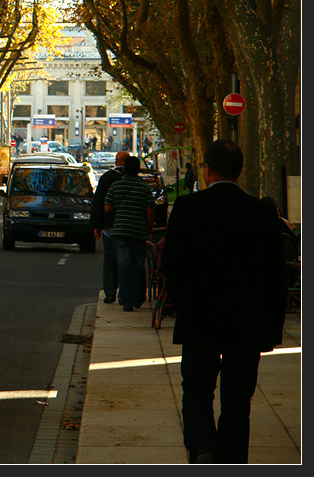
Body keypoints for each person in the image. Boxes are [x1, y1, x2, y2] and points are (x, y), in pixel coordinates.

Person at [161, 140, 287, 464]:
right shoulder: (263, 212)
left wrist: (183, 303)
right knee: (237, 402)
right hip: (247, 323)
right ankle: (231, 462)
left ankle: (202, 448)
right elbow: (277, 276)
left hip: (200, 319)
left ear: (206, 170)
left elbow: (171, 266)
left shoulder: (188, 208)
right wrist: (274, 327)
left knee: (197, 392)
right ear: (240, 171)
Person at [104, 155, 154, 311]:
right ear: (139, 170)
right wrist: (149, 231)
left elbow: (107, 208)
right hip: (139, 231)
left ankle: (126, 300)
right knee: (139, 264)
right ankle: (139, 296)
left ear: (124, 169)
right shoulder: (145, 188)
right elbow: (149, 213)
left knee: (124, 264)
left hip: (120, 231)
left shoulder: (116, 186)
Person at [91, 150, 129, 304]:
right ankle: (125, 294)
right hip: (128, 226)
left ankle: (110, 292)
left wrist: (96, 224)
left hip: (110, 226)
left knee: (109, 259)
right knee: (126, 259)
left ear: (116, 162)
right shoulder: (133, 179)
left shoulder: (107, 178)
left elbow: (99, 201)